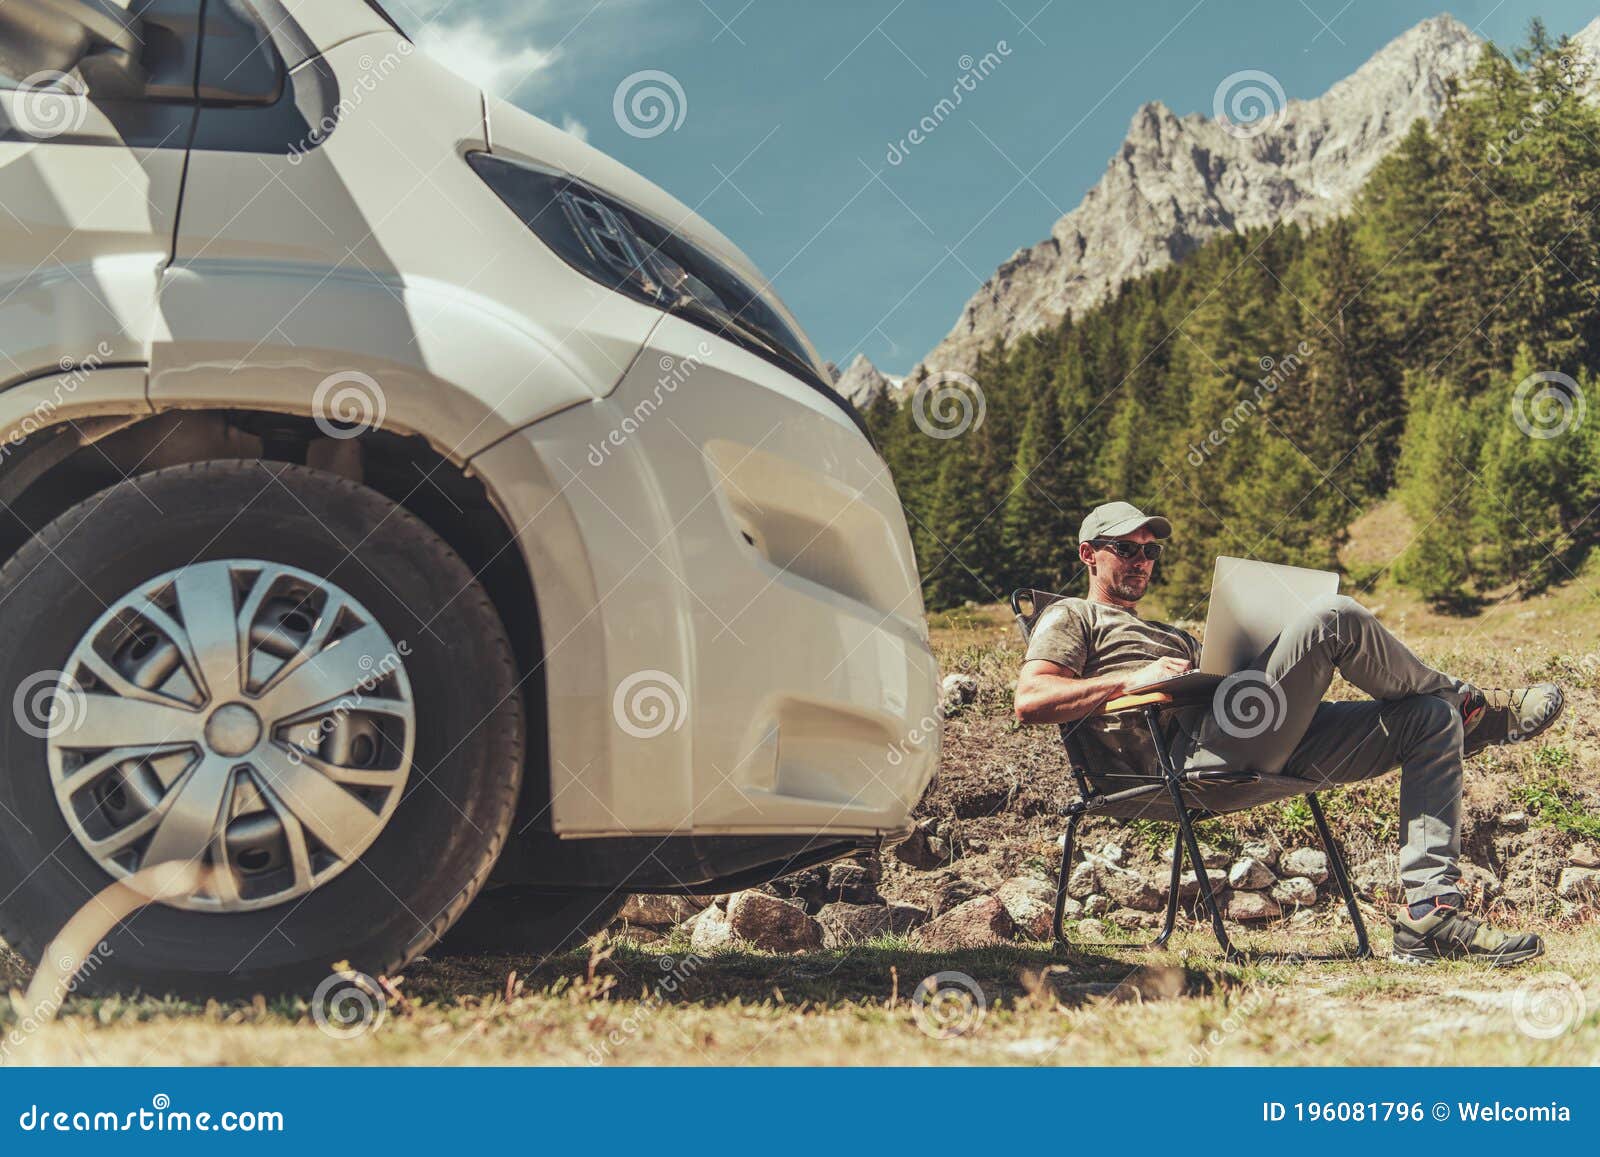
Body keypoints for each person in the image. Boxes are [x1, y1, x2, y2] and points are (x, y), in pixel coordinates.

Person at [1013, 500, 1565, 966]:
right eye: (1126, 549)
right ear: (1088, 554)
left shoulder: (1170, 635)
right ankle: (1466, 701)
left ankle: (1429, 917)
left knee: (1428, 720)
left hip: (1237, 735)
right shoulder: (1072, 618)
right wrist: (1132, 678)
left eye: (1150, 551)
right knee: (1333, 615)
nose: (1141, 561)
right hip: (1177, 765)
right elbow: (1031, 701)